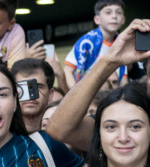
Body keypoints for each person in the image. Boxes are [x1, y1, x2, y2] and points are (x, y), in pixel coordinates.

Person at [47, 19, 150, 153]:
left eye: (136, 126)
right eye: (135, 126)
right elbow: (59, 129)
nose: (123, 138)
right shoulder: (126, 117)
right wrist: (110, 61)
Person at [64, 0, 127, 89]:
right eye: (108, 12)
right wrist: (77, 94)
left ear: (123, 19)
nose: (114, 16)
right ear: (97, 19)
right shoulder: (86, 42)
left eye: (119, 12)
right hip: (87, 91)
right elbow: (67, 70)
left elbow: (123, 75)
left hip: (113, 93)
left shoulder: (123, 43)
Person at [11, 58, 56, 133]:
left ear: (50, 94)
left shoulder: (60, 134)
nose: (30, 95)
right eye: (23, 87)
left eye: (38, 87)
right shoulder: (1, 135)